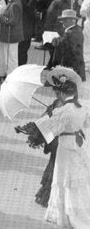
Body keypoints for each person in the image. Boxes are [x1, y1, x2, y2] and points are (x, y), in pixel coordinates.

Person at [36, 70, 90, 227]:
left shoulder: (63, 110)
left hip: (65, 147)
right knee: (75, 178)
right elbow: (86, 125)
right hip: (78, 144)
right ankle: (79, 210)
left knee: (62, 178)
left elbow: (51, 130)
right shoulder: (82, 107)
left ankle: (64, 215)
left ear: (62, 93)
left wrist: (44, 120)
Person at [48, 9, 86, 80]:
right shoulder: (77, 29)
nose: (62, 22)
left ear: (70, 20)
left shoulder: (69, 33)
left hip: (70, 71)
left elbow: (60, 43)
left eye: (64, 20)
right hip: (77, 70)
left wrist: (54, 39)